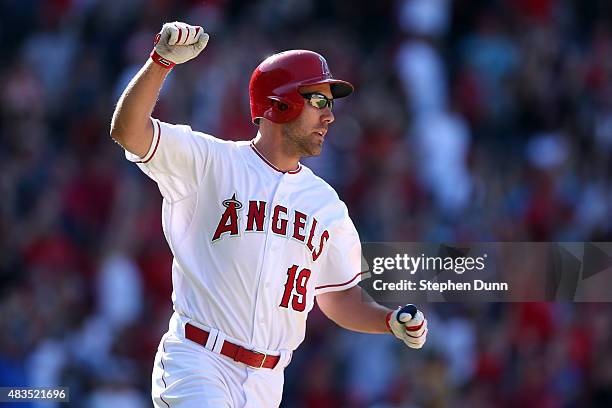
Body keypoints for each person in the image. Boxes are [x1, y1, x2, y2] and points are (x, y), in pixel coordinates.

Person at [110, 21, 428, 407]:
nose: (330, 116)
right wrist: (160, 62)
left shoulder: (326, 204)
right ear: (281, 103)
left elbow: (340, 297)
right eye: (320, 101)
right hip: (198, 360)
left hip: (268, 382)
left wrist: (388, 321)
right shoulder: (212, 161)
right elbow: (128, 132)